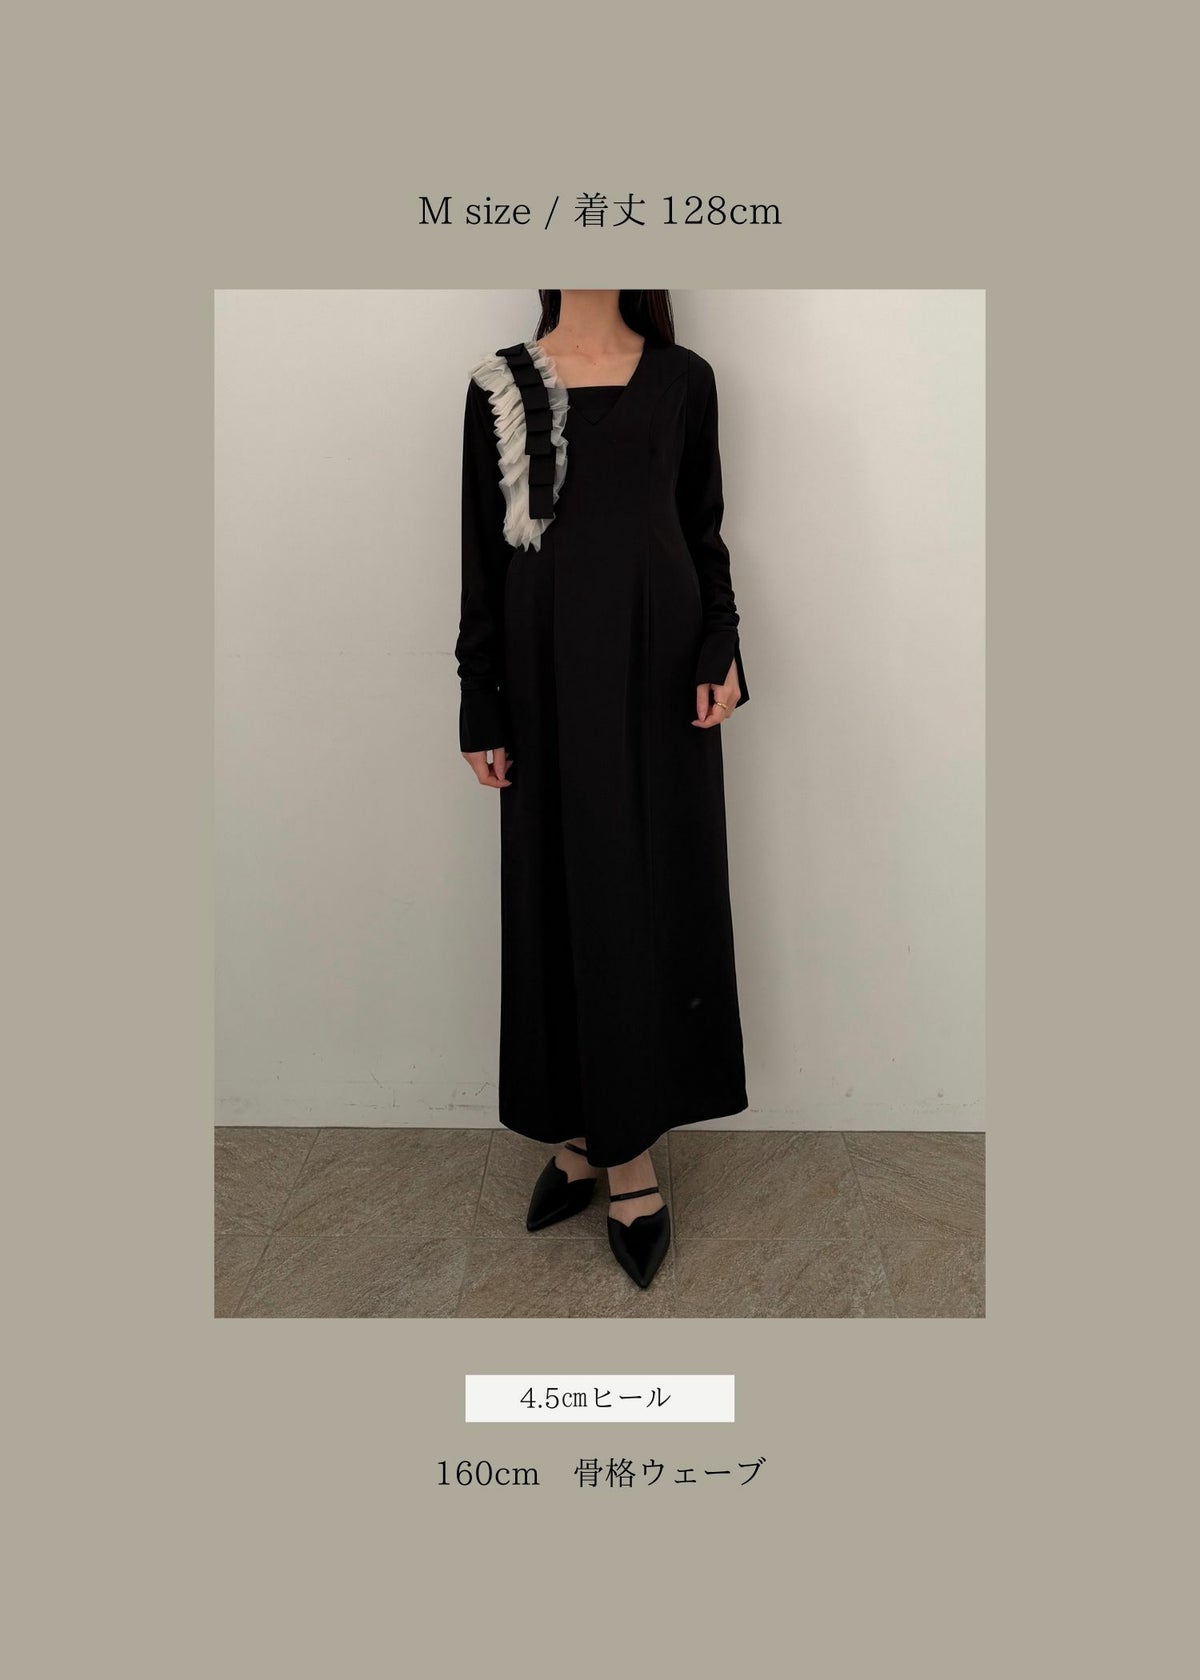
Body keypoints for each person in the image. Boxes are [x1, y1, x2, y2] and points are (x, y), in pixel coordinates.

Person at [455, 289, 750, 1290]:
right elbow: (483, 553)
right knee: (555, 894)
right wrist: (480, 697)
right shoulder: (502, 385)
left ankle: (628, 1152)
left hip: (659, 674)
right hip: (542, 679)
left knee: (640, 897)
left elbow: (703, 530)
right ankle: (578, 1130)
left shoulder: (683, 380)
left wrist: (721, 645)